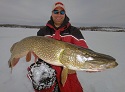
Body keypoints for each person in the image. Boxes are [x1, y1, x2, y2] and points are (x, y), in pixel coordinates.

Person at [27, 2, 88, 92]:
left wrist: (89, 64)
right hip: (48, 71)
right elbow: (37, 49)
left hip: (68, 72)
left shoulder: (74, 31)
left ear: (65, 14)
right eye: (56, 11)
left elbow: (83, 50)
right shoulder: (43, 31)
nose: (59, 14)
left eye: (62, 12)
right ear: (52, 13)